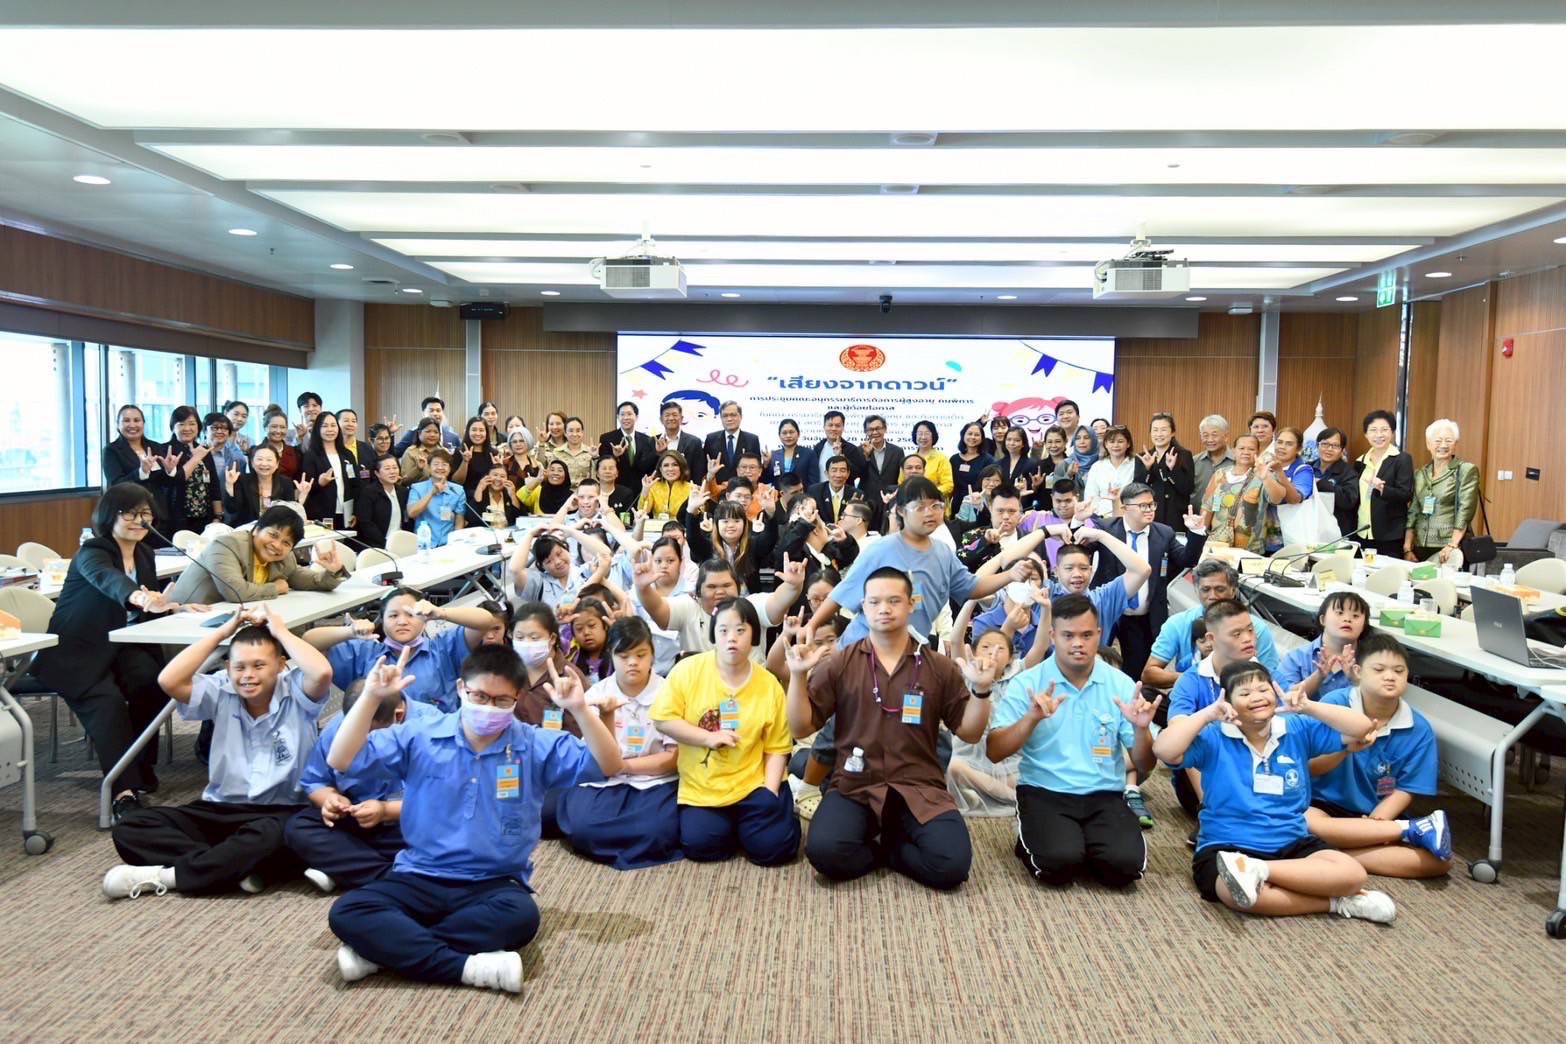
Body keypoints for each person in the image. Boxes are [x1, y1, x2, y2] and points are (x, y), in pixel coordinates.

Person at [324, 645, 624, 991]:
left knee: (521, 918)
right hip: (419, 874)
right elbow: (341, 759)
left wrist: (580, 710)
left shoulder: (534, 745)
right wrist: (371, 698)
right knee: (348, 911)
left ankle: (382, 952)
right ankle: (465, 967)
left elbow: (609, 766)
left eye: (501, 700)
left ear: (516, 698)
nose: (488, 707)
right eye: (479, 696)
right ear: (460, 689)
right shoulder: (421, 735)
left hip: (493, 881)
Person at [786, 568, 996, 889]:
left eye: (894, 601)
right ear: (863, 607)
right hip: (855, 786)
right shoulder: (841, 664)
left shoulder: (938, 667)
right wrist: (798, 675)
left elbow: (969, 732)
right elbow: (801, 727)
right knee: (825, 854)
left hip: (919, 787)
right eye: (874, 602)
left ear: (911, 604)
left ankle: (892, 849)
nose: (883, 609)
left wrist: (981, 691)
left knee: (951, 866)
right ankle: (881, 848)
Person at [102, 606, 333, 899]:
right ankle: (238, 864)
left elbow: (322, 671)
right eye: (239, 667)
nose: (248, 676)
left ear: (280, 665)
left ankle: (170, 876)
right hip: (221, 811)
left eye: (259, 666)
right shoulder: (220, 690)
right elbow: (168, 680)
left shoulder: (298, 691)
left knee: (281, 835)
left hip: (282, 812)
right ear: (227, 668)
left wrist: (280, 630)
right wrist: (223, 632)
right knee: (131, 827)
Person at [1152, 660, 1396, 922]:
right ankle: (1336, 903)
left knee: (1352, 874)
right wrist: (1207, 714)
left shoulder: (1296, 728)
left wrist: (1308, 706)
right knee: (1234, 894)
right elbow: (1164, 750)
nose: (1257, 697)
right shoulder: (1214, 736)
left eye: (1263, 689)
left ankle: (1260, 870)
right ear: (1229, 702)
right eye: (1245, 693)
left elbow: (1361, 727)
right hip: (1227, 847)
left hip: (1291, 840)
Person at [33, 484, 187, 822]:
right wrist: (140, 598)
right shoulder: (93, 552)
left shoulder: (145, 553)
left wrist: (176, 607)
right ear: (109, 516)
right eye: (129, 513)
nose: (139, 521)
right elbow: (109, 581)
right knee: (109, 705)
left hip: (122, 644)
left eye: (145, 514)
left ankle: (139, 765)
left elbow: (150, 604)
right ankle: (123, 793)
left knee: (155, 682)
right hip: (78, 651)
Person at [986, 594, 1161, 887]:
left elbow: (1145, 764)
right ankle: (1038, 837)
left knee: (1125, 868)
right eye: (1068, 635)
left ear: (1099, 634)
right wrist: (1031, 718)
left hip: (1104, 793)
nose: (1078, 643)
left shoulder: (1120, 683)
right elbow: (994, 751)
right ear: (1052, 636)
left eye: (1086, 635)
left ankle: (1080, 841)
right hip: (1043, 790)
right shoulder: (1028, 682)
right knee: (1058, 865)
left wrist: (1141, 730)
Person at [806, 477, 1046, 648]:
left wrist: (1010, 575)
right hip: (865, 646)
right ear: (901, 511)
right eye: (920, 507)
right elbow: (841, 595)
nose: (930, 512)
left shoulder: (942, 552)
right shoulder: (880, 549)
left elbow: (971, 587)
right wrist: (812, 626)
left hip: (911, 649)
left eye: (936, 506)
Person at [650, 598, 800, 865]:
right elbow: (663, 719)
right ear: (713, 635)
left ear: (754, 634)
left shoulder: (769, 684)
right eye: (723, 630)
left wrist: (769, 793)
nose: (732, 638)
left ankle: (752, 824)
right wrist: (707, 737)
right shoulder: (687, 670)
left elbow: (777, 747)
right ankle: (738, 828)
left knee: (774, 851)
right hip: (704, 786)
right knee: (702, 847)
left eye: (741, 630)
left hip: (754, 784)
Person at [1308, 634, 1453, 878]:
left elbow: (1406, 788)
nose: (1390, 676)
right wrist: (1345, 748)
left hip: (1376, 814)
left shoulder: (1419, 729)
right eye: (1379, 669)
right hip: (1323, 806)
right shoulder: (1335, 704)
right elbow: (1311, 765)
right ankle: (1344, 847)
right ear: (1358, 671)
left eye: (1399, 671)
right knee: (1309, 824)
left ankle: (1323, 850)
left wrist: (1376, 822)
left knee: (1440, 862)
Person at [285, 679, 442, 893]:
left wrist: (386, 811)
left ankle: (348, 869)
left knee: (447, 840)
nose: (356, 738)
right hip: (358, 818)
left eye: (366, 731)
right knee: (299, 827)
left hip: (407, 823)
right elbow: (315, 781)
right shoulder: (338, 728)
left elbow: (445, 800)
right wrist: (331, 800)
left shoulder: (432, 726)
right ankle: (394, 878)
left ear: (397, 716)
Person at [553, 616, 682, 869]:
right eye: (623, 656)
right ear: (611, 656)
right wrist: (607, 718)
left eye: (641, 655)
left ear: (652, 655)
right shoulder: (596, 694)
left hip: (655, 780)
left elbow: (673, 757)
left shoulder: (670, 692)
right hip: (605, 780)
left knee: (657, 831)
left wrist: (625, 766)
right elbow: (595, 757)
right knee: (583, 827)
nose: (633, 662)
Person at [305, 588, 501, 713]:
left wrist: (441, 612)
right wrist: (349, 631)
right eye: (393, 616)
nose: (402, 621)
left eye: (410, 614)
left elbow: (485, 620)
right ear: (382, 621)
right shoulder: (365, 652)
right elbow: (309, 642)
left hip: (435, 742)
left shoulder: (443, 648)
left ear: (425, 618)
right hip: (380, 743)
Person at [1089, 482, 1208, 684]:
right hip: (1108, 611)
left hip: (1142, 615)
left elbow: (1187, 560)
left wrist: (1196, 532)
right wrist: (1078, 522)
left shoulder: (1164, 533)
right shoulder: (1106, 528)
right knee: (1096, 663)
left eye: (1152, 504)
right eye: (1143, 505)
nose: (1149, 510)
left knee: (1136, 672)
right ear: (1125, 508)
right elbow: (1080, 549)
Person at [1164, 598, 1262, 818]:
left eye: (1250, 630)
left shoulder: (1266, 676)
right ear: (1211, 639)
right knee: (1191, 735)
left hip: (1255, 771)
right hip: (1204, 776)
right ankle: (1209, 809)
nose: (1248, 638)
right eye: (1236, 634)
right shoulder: (1191, 679)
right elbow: (1176, 733)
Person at [165, 504, 348, 604]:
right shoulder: (226, 545)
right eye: (273, 535)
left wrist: (335, 572)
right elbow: (236, 593)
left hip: (232, 620)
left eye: (286, 543)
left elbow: (311, 581)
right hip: (187, 621)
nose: (277, 545)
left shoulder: (284, 558)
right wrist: (275, 588)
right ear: (257, 529)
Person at [1142, 559, 1280, 691]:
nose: (1212, 595)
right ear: (1196, 590)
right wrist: (1196, 680)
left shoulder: (1256, 628)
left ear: (1233, 590)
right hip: (1192, 697)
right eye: (1205, 589)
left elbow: (1272, 678)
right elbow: (1149, 673)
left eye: (1220, 589)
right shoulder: (1177, 623)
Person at [635, 553, 804, 660]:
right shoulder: (689, 607)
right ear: (698, 591)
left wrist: (792, 586)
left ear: (738, 588)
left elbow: (777, 602)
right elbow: (659, 609)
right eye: (712, 587)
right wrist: (643, 588)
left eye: (726, 585)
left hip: (751, 689)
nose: (720, 592)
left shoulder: (751, 605)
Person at [1406, 418, 1480, 564]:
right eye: (1438, 441)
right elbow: (1414, 510)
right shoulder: (1420, 473)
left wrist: (1453, 544)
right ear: (1428, 444)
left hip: (1448, 546)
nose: (1443, 445)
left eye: (1449, 441)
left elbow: (1465, 510)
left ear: (1455, 445)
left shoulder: (1465, 470)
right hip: (1420, 544)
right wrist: (1407, 547)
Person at [1274, 591, 1370, 700]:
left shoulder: (1372, 660)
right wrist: (1318, 677)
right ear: (1323, 620)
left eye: (1355, 616)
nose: (1347, 619)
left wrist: (1356, 680)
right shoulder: (1296, 657)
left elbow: (1380, 704)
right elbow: (1282, 697)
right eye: (1339, 613)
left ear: (1364, 625)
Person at [685, 494, 776, 594]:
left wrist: (770, 513)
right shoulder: (708, 547)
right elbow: (692, 538)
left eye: (736, 521)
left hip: (747, 599)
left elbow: (769, 540)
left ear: (744, 524)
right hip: (714, 598)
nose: (731, 525)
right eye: (725, 521)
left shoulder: (752, 545)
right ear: (717, 524)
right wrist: (691, 511)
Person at [1355, 409, 1416, 559]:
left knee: (1387, 573)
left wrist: (1383, 489)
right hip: (1362, 531)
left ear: (1392, 432)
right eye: (1373, 430)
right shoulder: (1360, 461)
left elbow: (1406, 494)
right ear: (1366, 434)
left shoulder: (1402, 459)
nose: (1379, 435)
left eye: (1384, 430)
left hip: (1389, 534)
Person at [509, 524, 612, 609]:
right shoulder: (539, 584)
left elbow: (606, 554)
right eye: (549, 561)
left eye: (559, 553)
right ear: (541, 566)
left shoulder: (585, 572)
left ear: (566, 548)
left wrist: (572, 532)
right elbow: (515, 570)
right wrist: (530, 534)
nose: (557, 562)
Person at [1200, 433, 1265, 552]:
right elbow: (1208, 507)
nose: (1246, 452)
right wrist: (1201, 535)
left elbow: (1276, 499)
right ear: (1234, 450)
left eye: (1251, 449)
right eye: (1241, 448)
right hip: (1218, 543)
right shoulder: (1220, 474)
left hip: (1250, 546)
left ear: (1258, 452)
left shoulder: (1263, 477)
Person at [164, 405, 223, 534]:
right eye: (181, 424)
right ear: (173, 427)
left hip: (205, 516)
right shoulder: (165, 450)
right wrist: (195, 458)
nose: (187, 428)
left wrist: (218, 516)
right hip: (176, 518)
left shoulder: (204, 449)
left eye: (192, 424)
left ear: (198, 427)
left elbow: (214, 484)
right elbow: (176, 480)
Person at [1017, 478, 1098, 569]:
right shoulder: (1037, 518)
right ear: (1052, 498)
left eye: (1068, 500)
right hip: (1045, 574)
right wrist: (1017, 499)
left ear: (1077, 497)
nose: (1063, 505)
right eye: (1058, 501)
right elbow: (1010, 524)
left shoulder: (1091, 522)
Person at [1134, 413, 1196, 532]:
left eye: (1163, 430)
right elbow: (1136, 489)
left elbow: (1188, 488)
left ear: (1172, 433)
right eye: (1155, 430)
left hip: (1174, 516)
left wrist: (1172, 470)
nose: (1159, 434)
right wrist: (1147, 469)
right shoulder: (1143, 456)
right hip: (1150, 514)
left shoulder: (1183, 455)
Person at [1257, 426, 1314, 553]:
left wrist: (1280, 473)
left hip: (1287, 539)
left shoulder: (1303, 470)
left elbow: (1295, 499)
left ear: (1298, 448)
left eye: (1289, 444)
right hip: (1260, 537)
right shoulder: (1264, 466)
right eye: (1280, 442)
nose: (1282, 447)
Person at [299, 411, 359, 527]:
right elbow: (306, 487)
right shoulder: (311, 455)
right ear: (318, 429)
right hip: (321, 513)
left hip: (346, 512)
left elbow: (355, 485)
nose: (330, 429)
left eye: (333, 425)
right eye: (325, 426)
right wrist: (320, 483)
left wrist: (355, 511)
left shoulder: (347, 455)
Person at [222, 444, 303, 527]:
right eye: (259, 459)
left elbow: (290, 513)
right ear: (252, 463)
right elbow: (232, 509)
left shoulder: (285, 482)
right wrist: (230, 485)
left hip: (275, 529)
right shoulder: (242, 480)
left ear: (277, 464)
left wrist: (302, 497)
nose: (264, 463)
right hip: (247, 529)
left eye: (269, 460)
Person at [102, 404, 172, 500]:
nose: (132, 425)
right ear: (118, 424)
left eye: (136, 420)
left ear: (143, 423)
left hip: (157, 505)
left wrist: (169, 471)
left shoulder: (155, 447)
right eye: (126, 421)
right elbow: (116, 485)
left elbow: (165, 483)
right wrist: (141, 472)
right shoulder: (111, 450)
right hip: (129, 505)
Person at [407, 449, 466, 547]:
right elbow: (411, 513)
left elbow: (459, 520)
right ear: (429, 468)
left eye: (444, 464)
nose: (440, 467)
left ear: (450, 468)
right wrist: (431, 493)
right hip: (424, 545)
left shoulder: (458, 490)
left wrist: (456, 543)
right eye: (436, 464)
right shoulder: (417, 488)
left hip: (448, 544)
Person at [1311, 426, 1360, 540]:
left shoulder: (1349, 472)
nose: (1329, 449)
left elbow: (1348, 501)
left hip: (1337, 533)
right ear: (1317, 446)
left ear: (1342, 450)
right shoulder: (1307, 468)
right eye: (1324, 444)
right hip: (1310, 529)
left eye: (1335, 446)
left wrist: (1322, 483)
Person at [355, 453, 412, 549]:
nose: (392, 472)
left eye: (395, 468)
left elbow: (407, 520)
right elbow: (365, 523)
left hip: (400, 543)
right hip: (377, 545)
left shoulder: (403, 492)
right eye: (387, 469)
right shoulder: (369, 492)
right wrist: (384, 543)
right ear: (377, 473)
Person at [703, 400, 762, 486]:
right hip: (717, 489)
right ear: (721, 418)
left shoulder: (752, 440)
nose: (729, 419)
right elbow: (704, 467)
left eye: (733, 415)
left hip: (744, 488)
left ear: (740, 417)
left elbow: (756, 468)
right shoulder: (711, 439)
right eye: (725, 416)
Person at [1083, 424, 1136, 519]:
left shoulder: (1136, 465)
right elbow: (1091, 496)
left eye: (1120, 441)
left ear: (1128, 444)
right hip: (1102, 517)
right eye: (1111, 441)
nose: (1116, 445)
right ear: (1106, 444)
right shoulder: (1097, 467)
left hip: (1130, 517)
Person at [598, 400, 657, 484]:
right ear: (618, 417)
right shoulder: (607, 439)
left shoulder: (647, 440)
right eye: (622, 414)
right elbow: (603, 465)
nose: (625, 418)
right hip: (617, 487)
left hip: (641, 487)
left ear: (636, 417)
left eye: (629, 414)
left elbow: (649, 466)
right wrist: (615, 456)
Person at [653, 399, 708, 487]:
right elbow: (648, 469)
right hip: (659, 490)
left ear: (681, 418)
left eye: (675, 415)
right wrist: (658, 453)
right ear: (661, 419)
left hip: (687, 490)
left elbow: (698, 472)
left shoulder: (694, 442)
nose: (671, 418)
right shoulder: (652, 441)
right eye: (667, 415)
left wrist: (695, 490)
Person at [1190, 414, 1235, 515]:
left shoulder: (1236, 462)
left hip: (1225, 519)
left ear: (1226, 436)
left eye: (1214, 435)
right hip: (1196, 519)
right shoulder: (1194, 461)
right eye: (1205, 435)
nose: (1210, 440)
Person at [857, 414, 903, 510]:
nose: (875, 432)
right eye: (871, 429)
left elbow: (900, 478)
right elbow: (856, 474)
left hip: (890, 500)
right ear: (865, 432)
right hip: (866, 501)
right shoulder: (859, 451)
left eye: (878, 428)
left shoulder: (897, 452)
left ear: (885, 429)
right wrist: (866, 457)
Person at [454, 415, 503, 502]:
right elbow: (457, 482)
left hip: (488, 498)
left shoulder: (494, 453)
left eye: (481, 430)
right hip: (464, 498)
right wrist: (465, 461)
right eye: (474, 430)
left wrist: (498, 467)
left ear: (486, 433)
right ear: (468, 431)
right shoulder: (460, 451)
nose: (477, 433)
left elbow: (499, 482)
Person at [812, 409, 867, 486]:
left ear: (843, 428)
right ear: (824, 427)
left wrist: (841, 456)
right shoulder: (818, 448)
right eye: (830, 425)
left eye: (837, 426)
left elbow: (857, 474)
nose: (833, 428)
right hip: (821, 491)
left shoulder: (851, 449)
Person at [391, 395, 461, 455]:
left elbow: (460, 458)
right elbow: (395, 453)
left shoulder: (453, 436)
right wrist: (391, 433)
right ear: (423, 414)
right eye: (431, 410)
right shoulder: (413, 433)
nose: (435, 413)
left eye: (438, 410)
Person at [949, 421, 994, 512]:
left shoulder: (988, 460)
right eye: (969, 434)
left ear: (982, 438)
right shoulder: (954, 459)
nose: (973, 437)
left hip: (978, 505)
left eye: (976, 435)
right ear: (963, 435)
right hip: (957, 504)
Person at [638, 450, 693, 519]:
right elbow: (642, 511)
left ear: (681, 468)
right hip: (658, 525)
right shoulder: (654, 486)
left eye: (675, 465)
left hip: (681, 525)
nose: (670, 469)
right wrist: (645, 490)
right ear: (661, 469)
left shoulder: (691, 488)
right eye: (666, 465)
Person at [807, 454, 859, 526]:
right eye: (834, 470)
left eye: (842, 470)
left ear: (848, 474)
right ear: (826, 474)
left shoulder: (857, 494)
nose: (838, 475)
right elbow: (811, 518)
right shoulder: (814, 491)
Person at [909, 420, 954, 500]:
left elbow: (948, 485)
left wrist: (928, 494)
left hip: (935, 502)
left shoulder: (941, 458)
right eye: (920, 433)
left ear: (933, 436)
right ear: (915, 435)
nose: (923, 437)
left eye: (927, 433)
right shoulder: (910, 458)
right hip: (913, 503)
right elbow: (901, 482)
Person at [768, 417, 817, 485]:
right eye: (784, 433)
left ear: (798, 434)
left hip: (801, 491)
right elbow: (766, 480)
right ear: (779, 435)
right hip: (779, 491)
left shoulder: (808, 454)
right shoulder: (774, 455)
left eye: (791, 432)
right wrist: (766, 464)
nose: (788, 436)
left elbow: (813, 481)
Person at [258, 410, 303, 481]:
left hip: (290, 488)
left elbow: (298, 477)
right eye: (274, 426)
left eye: (282, 427)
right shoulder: (256, 451)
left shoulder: (294, 451)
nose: (278, 431)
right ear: (265, 428)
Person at [995, 426, 1038, 500]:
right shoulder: (998, 464)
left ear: (1023, 443)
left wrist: (1035, 486)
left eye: (1017, 440)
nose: (1012, 443)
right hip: (1002, 502)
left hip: (1023, 503)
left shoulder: (1031, 464)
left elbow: (1033, 490)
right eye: (1009, 439)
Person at [398, 417, 444, 487]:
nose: (432, 435)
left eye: (436, 432)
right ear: (419, 433)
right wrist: (418, 469)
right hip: (419, 491)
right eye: (428, 431)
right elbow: (404, 481)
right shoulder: (411, 452)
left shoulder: (444, 452)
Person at [593, 453, 636, 523]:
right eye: (604, 468)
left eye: (611, 468)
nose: (607, 471)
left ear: (617, 473)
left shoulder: (626, 493)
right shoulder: (590, 492)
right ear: (597, 473)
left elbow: (628, 521)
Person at [206, 412, 247, 479]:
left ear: (229, 433)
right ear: (205, 430)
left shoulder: (237, 458)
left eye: (224, 428)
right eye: (215, 428)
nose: (219, 431)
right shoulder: (195, 454)